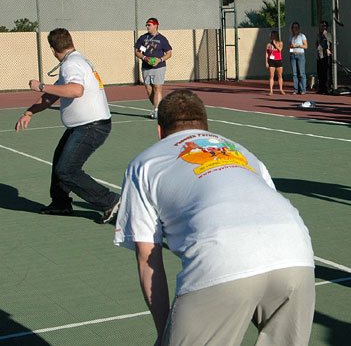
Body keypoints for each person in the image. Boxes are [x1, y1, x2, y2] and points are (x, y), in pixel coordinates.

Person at [114, 90, 315, 345]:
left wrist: (166, 333)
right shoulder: (242, 151)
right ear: (207, 127)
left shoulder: (144, 163)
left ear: (160, 131)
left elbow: (147, 257)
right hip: (296, 252)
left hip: (222, 258)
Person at [14, 28, 121, 223]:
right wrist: (29, 112)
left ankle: (111, 202)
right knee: (59, 160)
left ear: (52, 49)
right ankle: (60, 203)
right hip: (85, 126)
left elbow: (76, 90)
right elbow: (53, 95)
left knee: (67, 169)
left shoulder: (71, 64)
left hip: (92, 126)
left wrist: (40, 85)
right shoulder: (76, 60)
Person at [134, 17, 173, 119]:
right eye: (146, 25)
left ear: (156, 25)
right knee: (149, 89)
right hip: (146, 67)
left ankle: (156, 111)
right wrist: (145, 57)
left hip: (159, 67)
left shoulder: (162, 39)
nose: (147, 26)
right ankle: (159, 107)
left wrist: (160, 60)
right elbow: (138, 52)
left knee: (157, 87)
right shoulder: (143, 39)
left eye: (149, 25)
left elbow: (169, 53)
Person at [288, 21, 308, 95]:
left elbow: (306, 46)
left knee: (301, 73)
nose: (295, 29)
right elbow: (290, 47)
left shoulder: (302, 36)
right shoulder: (291, 37)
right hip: (293, 55)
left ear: (298, 28)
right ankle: (296, 89)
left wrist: (298, 45)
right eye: (294, 27)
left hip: (300, 55)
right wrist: (291, 48)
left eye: (296, 27)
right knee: (294, 73)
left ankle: (303, 89)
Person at [265, 30, 285, 95]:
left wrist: (275, 44)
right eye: (271, 36)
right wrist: (266, 62)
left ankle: (281, 89)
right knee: (271, 76)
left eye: (273, 35)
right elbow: (267, 53)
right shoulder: (268, 45)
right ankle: (271, 90)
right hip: (271, 61)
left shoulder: (280, 43)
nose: (271, 37)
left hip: (278, 60)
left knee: (280, 75)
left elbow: (280, 49)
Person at [315, 20, 333, 94]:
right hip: (320, 56)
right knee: (320, 73)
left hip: (326, 56)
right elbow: (316, 43)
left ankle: (327, 88)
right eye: (321, 26)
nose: (322, 27)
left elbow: (335, 43)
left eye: (324, 26)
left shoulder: (328, 35)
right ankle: (321, 88)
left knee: (327, 73)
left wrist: (331, 51)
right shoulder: (318, 35)